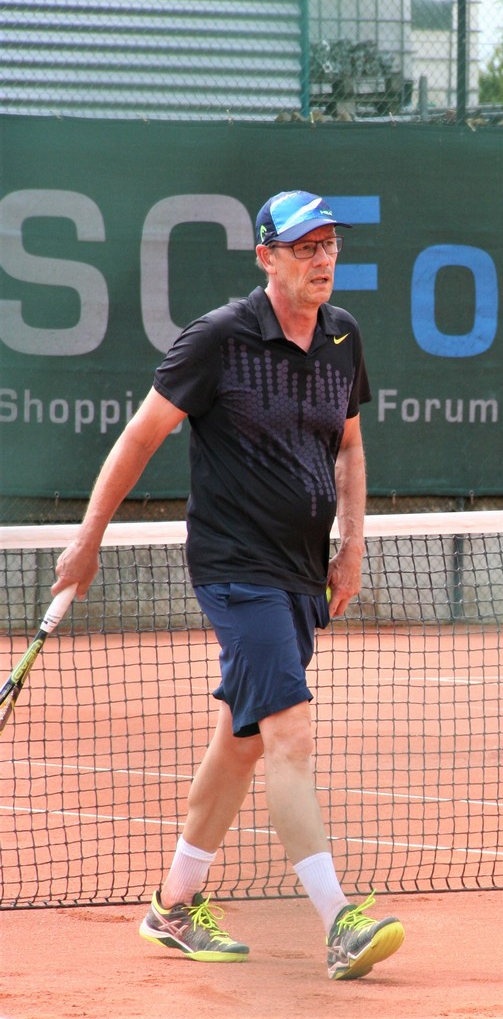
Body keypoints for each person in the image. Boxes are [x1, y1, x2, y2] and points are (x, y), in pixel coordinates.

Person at [52, 189, 405, 981]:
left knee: (240, 742)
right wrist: (87, 539)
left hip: (300, 570)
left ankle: (172, 907)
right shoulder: (217, 338)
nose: (322, 259)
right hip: (235, 569)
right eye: (305, 247)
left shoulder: (342, 336)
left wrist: (351, 545)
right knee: (288, 734)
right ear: (266, 257)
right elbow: (140, 436)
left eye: (329, 245)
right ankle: (338, 921)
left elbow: (349, 446)